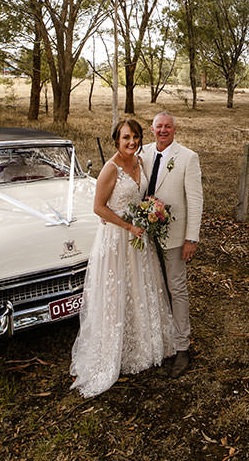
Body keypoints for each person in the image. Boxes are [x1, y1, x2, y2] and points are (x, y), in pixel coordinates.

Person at [71, 119, 174, 396]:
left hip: (139, 238)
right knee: (117, 293)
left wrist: (150, 213)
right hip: (117, 239)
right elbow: (98, 208)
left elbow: (141, 198)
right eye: (126, 137)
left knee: (141, 290)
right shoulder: (110, 168)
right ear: (116, 140)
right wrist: (128, 226)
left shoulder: (140, 162)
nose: (132, 142)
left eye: (136, 137)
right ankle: (114, 353)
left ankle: (144, 345)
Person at [140, 111, 203, 378]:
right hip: (143, 235)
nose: (163, 130)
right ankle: (159, 340)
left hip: (175, 236)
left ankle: (182, 346)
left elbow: (196, 200)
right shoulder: (140, 153)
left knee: (176, 288)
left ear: (174, 129)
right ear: (152, 129)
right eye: (158, 127)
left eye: (167, 126)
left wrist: (191, 237)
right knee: (153, 286)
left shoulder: (188, 157)